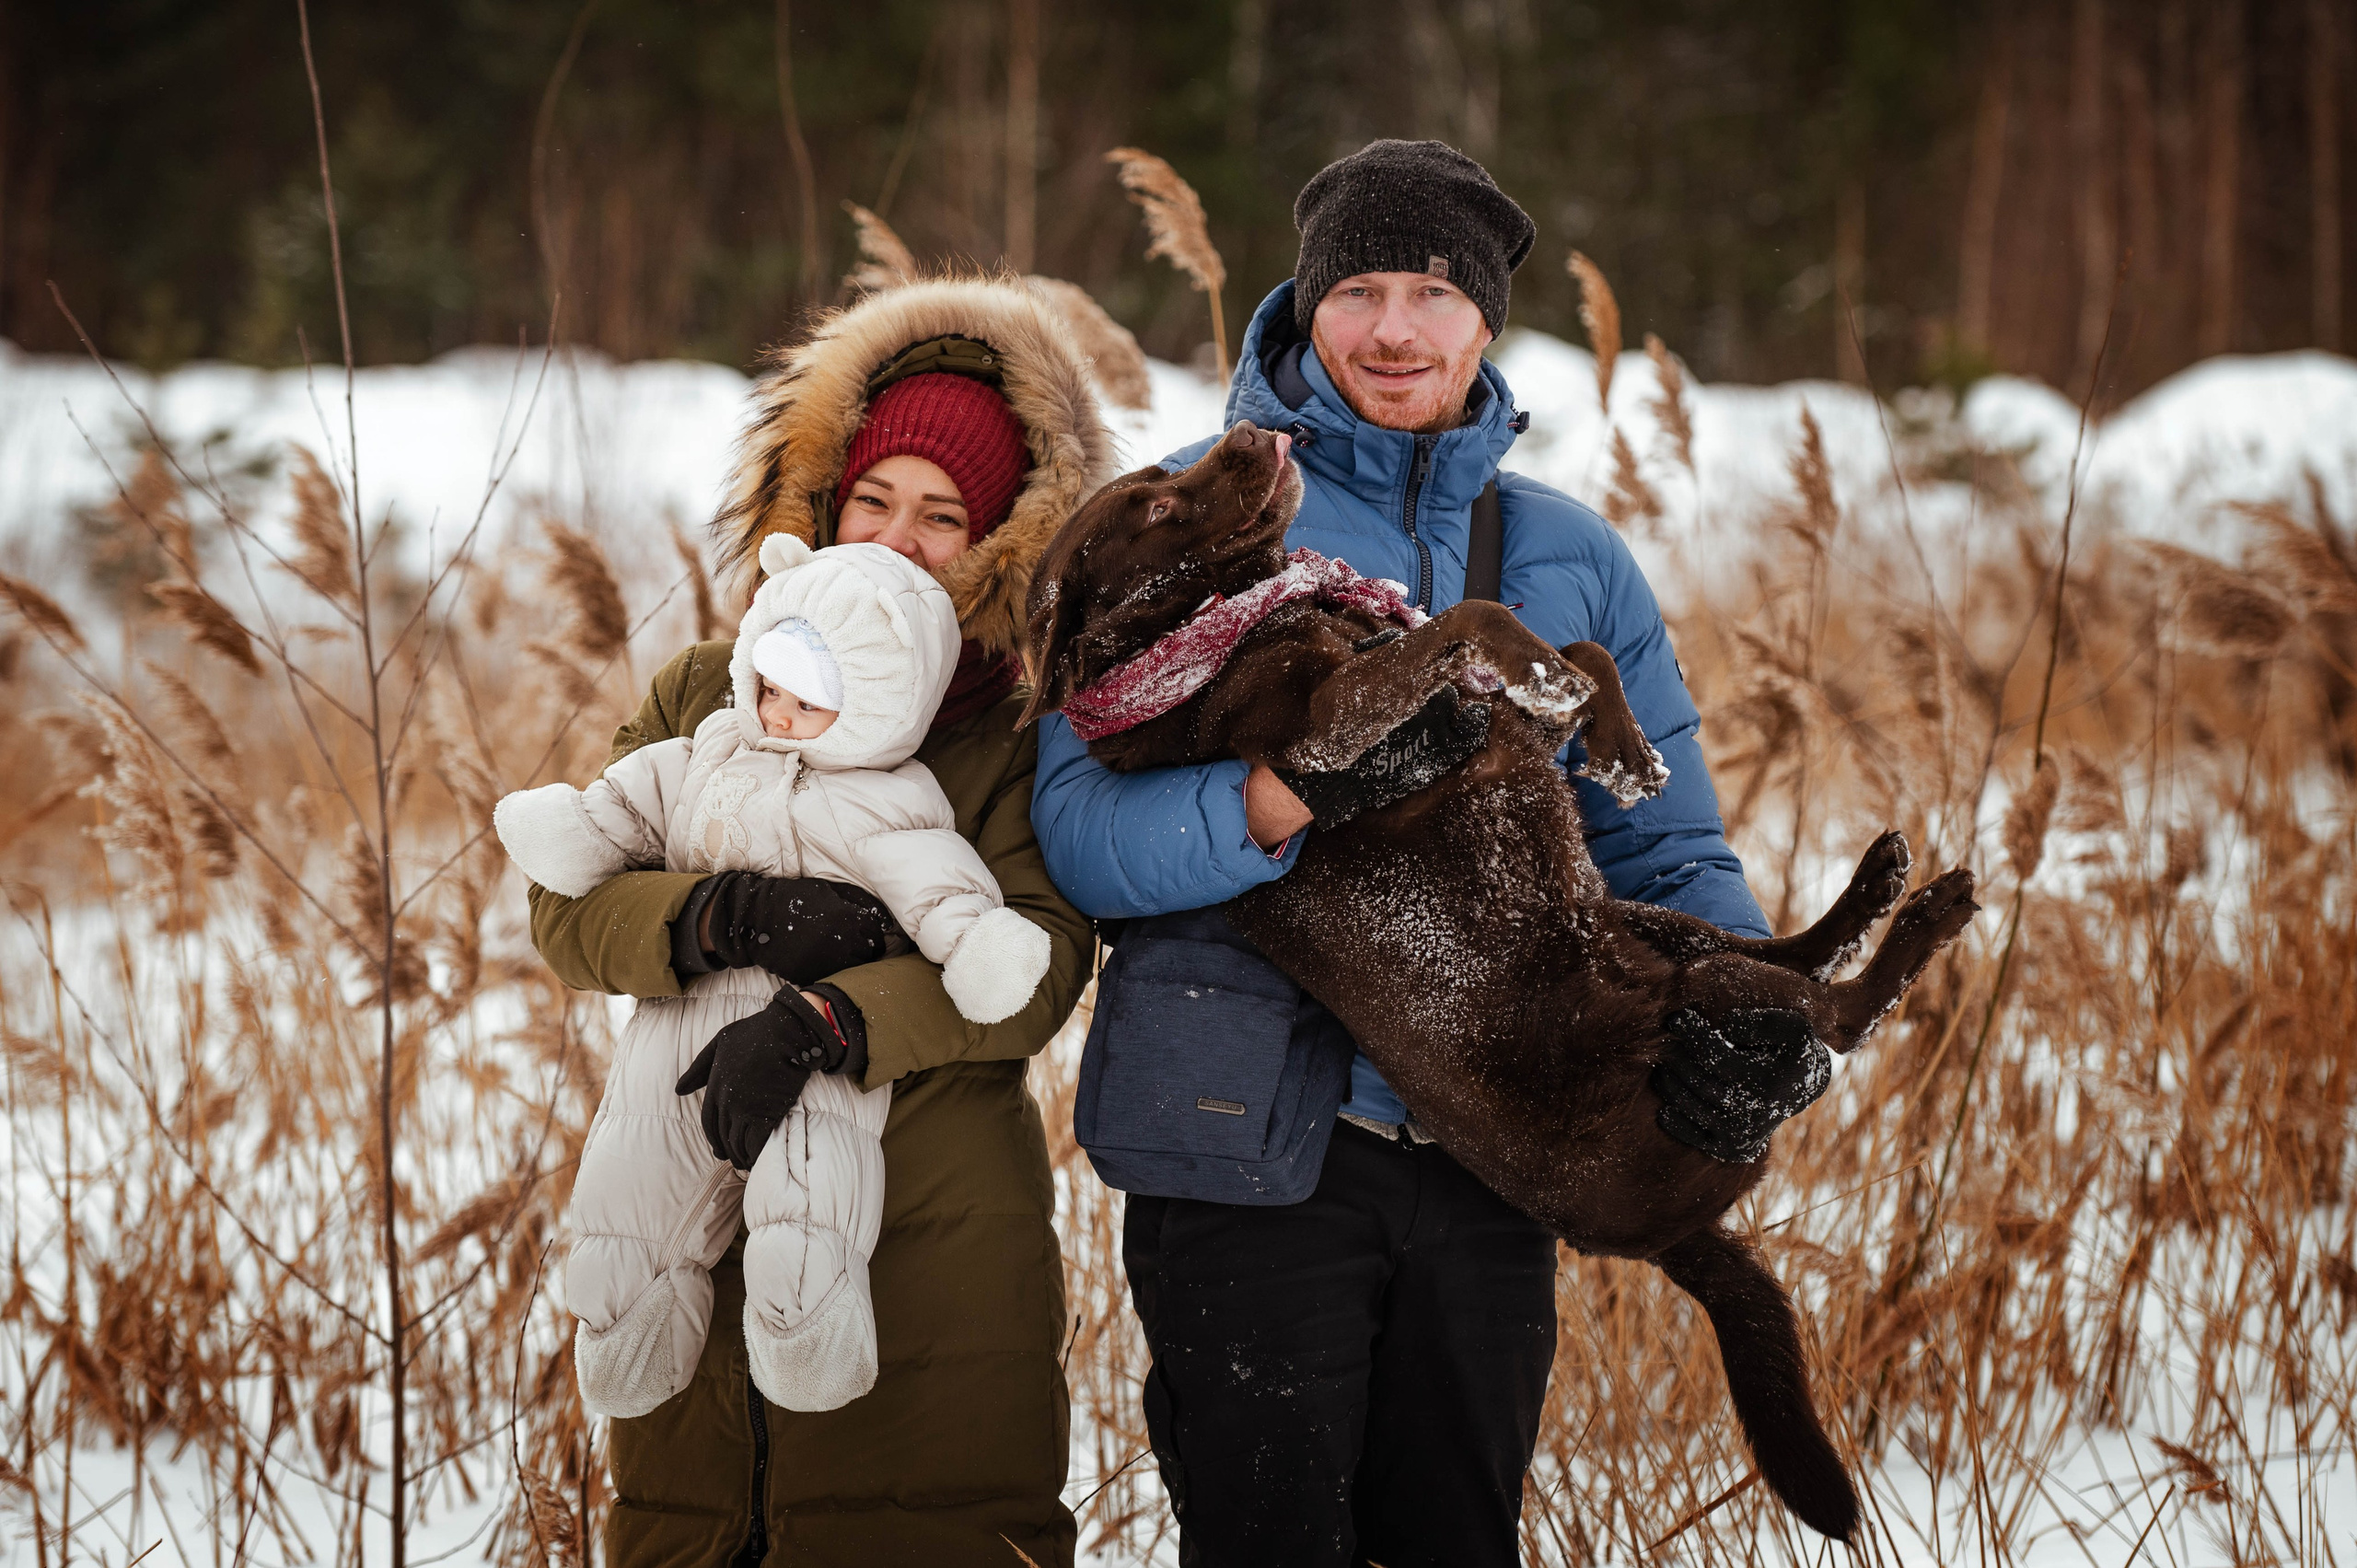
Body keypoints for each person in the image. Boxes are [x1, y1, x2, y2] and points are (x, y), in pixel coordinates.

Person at [1029, 140, 1823, 1566]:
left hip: (1494, 1147)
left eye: (1434, 294)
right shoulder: (1173, 523)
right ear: (1305, 303)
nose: (1394, 328)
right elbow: (1079, 837)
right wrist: (1282, 797)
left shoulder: (1568, 554)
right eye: (1362, 289)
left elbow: (1669, 841)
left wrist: (1756, 1010)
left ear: (1487, 323)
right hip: (1245, 1149)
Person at [528, 278, 1117, 1567]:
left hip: (935, 1229)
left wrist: (832, 1021)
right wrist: (719, 912)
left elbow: (1034, 965)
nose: (900, 540)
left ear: (1009, 539)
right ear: (820, 501)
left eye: (945, 516)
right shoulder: (710, 688)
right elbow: (567, 906)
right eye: (874, 500)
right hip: (688, 1173)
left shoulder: (1017, 726)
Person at [497, 534, 1054, 1423]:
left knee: (812, 1187)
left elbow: (943, 884)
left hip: (818, 1046)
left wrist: (973, 944)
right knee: (630, 1177)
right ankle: (623, 1326)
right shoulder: (711, 734)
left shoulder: (896, 793)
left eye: (811, 701)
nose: (781, 712)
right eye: (770, 688)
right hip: (673, 1022)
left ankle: (808, 1335)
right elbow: (628, 806)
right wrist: (599, 841)